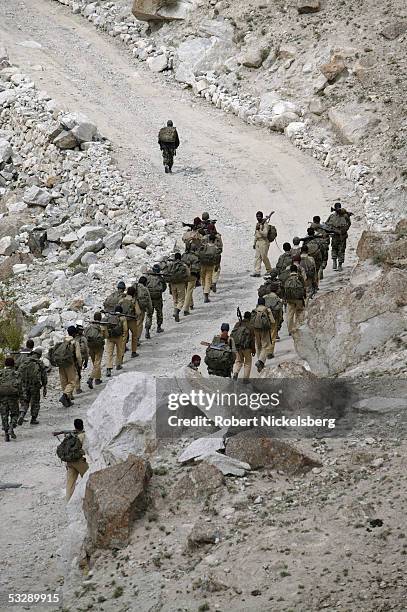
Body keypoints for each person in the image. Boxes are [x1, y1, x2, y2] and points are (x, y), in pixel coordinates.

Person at [49, 326, 81, 408]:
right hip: (69, 364)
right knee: (72, 381)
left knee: (64, 381)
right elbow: (78, 355)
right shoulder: (74, 342)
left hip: (61, 363)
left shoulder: (63, 341)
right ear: (74, 333)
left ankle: (68, 399)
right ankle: (65, 396)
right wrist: (79, 364)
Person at [18, 347, 47, 425]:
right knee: (35, 402)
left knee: (25, 401)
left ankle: (22, 415)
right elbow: (44, 375)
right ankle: (33, 419)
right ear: (39, 355)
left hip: (25, 385)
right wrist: (44, 386)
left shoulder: (25, 361)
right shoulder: (39, 363)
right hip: (35, 386)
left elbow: (19, 372)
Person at [64, 419, 89, 501]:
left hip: (69, 461)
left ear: (75, 426)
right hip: (79, 461)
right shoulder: (83, 435)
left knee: (70, 483)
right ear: (82, 425)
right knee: (88, 478)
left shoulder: (71, 435)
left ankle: (68, 500)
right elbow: (86, 448)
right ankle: (88, 497)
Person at [250, 298, 276, 372]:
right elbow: (273, 321)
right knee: (265, 346)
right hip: (264, 330)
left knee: (258, 346)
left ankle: (260, 363)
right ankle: (260, 361)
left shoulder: (255, 310)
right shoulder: (267, 310)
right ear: (264, 303)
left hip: (256, 330)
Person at [0, 357, 22, 442]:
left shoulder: (0, 373)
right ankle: (11, 427)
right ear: (13, 364)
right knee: (15, 414)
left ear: (5, 364)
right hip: (13, 397)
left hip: (2, 397)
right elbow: (20, 386)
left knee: (4, 415)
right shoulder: (16, 373)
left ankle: (6, 433)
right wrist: (21, 397)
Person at [326, 202, 352, 271]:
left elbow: (349, 224)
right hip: (334, 236)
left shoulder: (345, 216)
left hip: (342, 236)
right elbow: (327, 224)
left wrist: (344, 230)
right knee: (334, 248)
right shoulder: (331, 216)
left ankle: (340, 264)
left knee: (341, 250)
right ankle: (334, 262)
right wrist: (331, 230)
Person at [231, 312, 256, 381]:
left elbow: (233, 335)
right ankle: (245, 379)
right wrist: (253, 350)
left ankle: (235, 373)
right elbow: (252, 339)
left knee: (238, 361)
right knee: (247, 363)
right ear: (250, 318)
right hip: (247, 348)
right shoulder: (250, 326)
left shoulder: (237, 324)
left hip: (237, 346)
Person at [105, 305, 128, 377]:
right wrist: (123, 336)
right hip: (119, 337)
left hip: (110, 337)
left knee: (109, 353)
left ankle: (109, 368)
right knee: (119, 351)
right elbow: (125, 329)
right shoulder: (122, 318)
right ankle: (118, 364)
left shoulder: (110, 316)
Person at [85, 312, 106, 389]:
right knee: (97, 363)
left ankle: (98, 378)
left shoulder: (89, 327)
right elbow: (105, 336)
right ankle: (91, 378)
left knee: (95, 363)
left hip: (90, 347)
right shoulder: (101, 327)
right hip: (99, 347)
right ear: (100, 318)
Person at [251, 211, 276, 277]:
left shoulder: (265, 224)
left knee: (264, 256)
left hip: (264, 242)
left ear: (262, 217)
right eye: (257, 216)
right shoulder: (257, 224)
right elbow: (256, 235)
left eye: (259, 216)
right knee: (257, 257)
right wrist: (254, 243)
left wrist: (259, 229)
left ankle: (269, 270)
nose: (258, 218)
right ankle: (257, 272)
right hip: (258, 242)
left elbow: (265, 234)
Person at [166, 252, 189, 322]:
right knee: (181, 299)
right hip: (180, 284)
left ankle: (175, 312)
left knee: (175, 299)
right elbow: (187, 274)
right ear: (180, 258)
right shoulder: (183, 265)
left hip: (172, 284)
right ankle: (177, 311)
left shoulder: (170, 265)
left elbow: (167, 274)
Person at [120, 286, 142, 358]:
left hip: (123, 320)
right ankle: (133, 352)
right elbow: (138, 312)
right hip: (132, 321)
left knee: (124, 337)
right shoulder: (133, 301)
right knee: (134, 336)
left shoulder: (121, 300)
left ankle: (121, 355)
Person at [145, 264, 166, 338]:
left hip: (150, 299)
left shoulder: (148, 277)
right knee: (159, 312)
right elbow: (164, 288)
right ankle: (159, 327)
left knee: (149, 315)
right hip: (158, 298)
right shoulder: (160, 278)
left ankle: (147, 330)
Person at [284, 265, 306, 335]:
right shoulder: (300, 277)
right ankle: (298, 327)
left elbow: (284, 288)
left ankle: (290, 330)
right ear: (296, 270)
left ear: (290, 270)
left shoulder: (287, 278)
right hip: (299, 299)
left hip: (290, 299)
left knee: (290, 315)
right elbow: (304, 287)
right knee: (299, 312)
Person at [198, 233, 219, 303]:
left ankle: (204, 289)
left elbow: (199, 254)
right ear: (214, 240)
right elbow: (218, 258)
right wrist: (217, 266)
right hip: (210, 265)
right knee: (208, 279)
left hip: (202, 264)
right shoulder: (216, 248)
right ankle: (206, 293)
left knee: (203, 278)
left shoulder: (204, 246)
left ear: (209, 239)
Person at [181, 245, 201, 315]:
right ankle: (186, 309)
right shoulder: (195, 257)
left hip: (183, 276)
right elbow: (197, 268)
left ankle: (191, 304)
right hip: (192, 276)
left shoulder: (183, 255)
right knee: (189, 291)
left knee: (188, 290)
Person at [204, 224, 223, 293]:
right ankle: (214, 282)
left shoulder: (205, 237)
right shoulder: (218, 236)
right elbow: (221, 246)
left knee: (209, 271)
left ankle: (207, 288)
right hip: (216, 255)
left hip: (207, 256)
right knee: (217, 269)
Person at [133, 277, 153, 342]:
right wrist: (150, 310)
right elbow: (149, 301)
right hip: (141, 309)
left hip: (132, 307)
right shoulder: (145, 289)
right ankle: (137, 339)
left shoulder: (134, 286)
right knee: (139, 324)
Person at [74, 321, 89, 394]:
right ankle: (77, 388)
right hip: (80, 358)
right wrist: (86, 361)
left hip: (72, 359)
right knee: (78, 373)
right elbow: (86, 351)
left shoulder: (72, 338)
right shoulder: (83, 339)